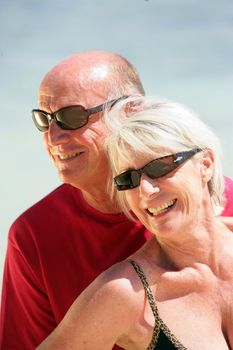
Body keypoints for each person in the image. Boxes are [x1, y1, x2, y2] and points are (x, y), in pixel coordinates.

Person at [0, 51, 232, 349]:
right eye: (44, 121)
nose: (53, 137)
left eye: (72, 117)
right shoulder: (36, 235)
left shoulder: (221, 198)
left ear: (131, 110)